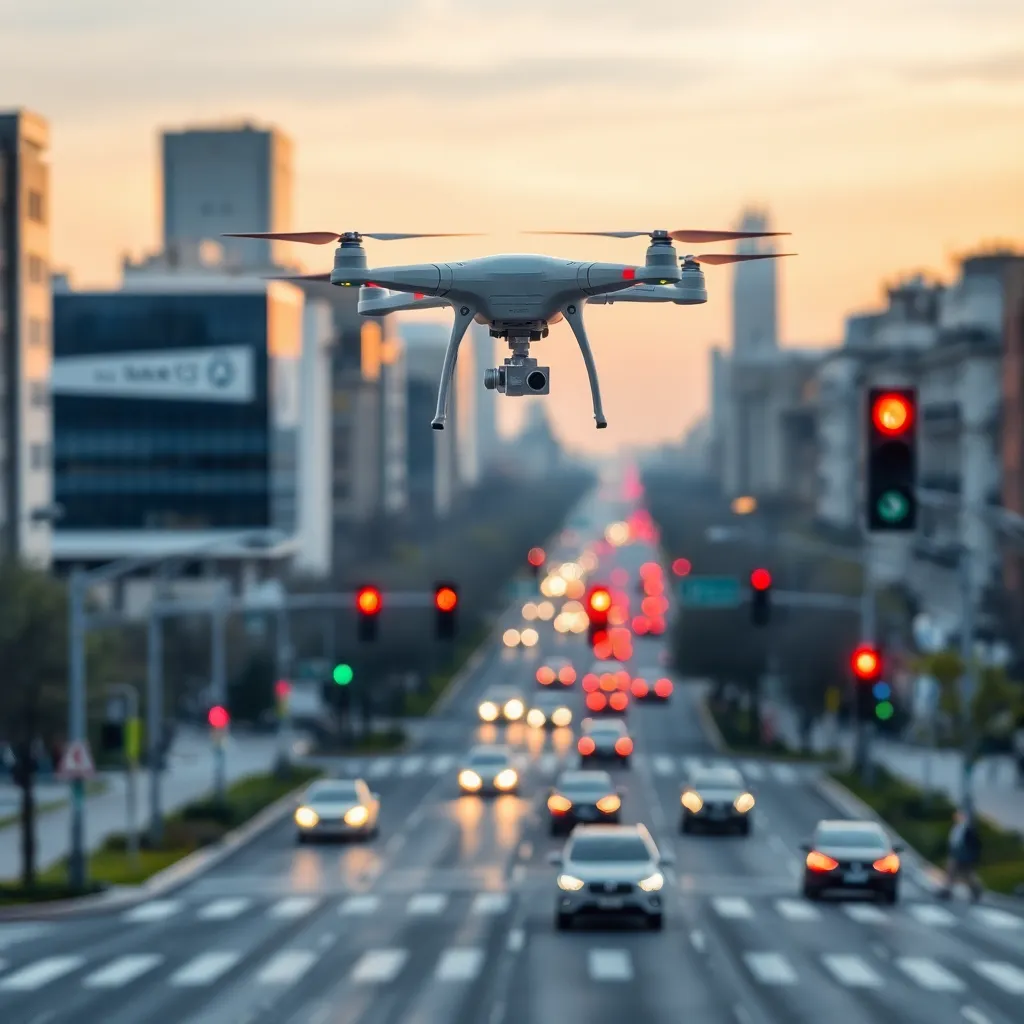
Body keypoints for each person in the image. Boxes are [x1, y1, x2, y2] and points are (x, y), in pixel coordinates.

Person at [939, 808, 983, 901]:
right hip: (956, 854)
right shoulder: (956, 827)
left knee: (968, 875)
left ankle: (976, 889)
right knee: (951, 872)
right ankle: (947, 891)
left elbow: (974, 844)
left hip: (965, 855)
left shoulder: (968, 829)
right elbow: (953, 841)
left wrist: (972, 855)